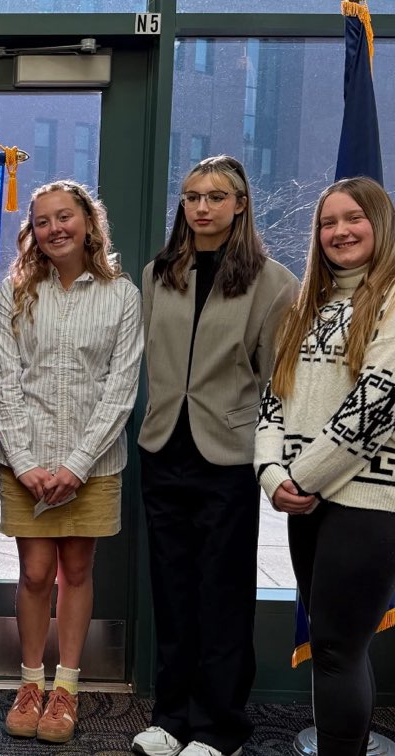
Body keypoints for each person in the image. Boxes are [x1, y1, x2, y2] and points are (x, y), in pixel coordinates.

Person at [133, 155, 298, 756]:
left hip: (226, 455)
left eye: (216, 197)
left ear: (240, 204)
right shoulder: (158, 274)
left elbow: (278, 379)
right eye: (192, 196)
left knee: (221, 595)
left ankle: (219, 726)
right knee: (172, 592)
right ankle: (172, 718)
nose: (202, 207)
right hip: (161, 447)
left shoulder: (273, 281)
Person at [0, 180, 143, 744]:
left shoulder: (122, 294)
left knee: (77, 572)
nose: (55, 228)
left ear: (88, 223)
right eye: (43, 220)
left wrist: (77, 465)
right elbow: (3, 379)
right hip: (24, 460)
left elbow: (120, 388)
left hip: (94, 465)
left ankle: (66, 690)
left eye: (65, 217)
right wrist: (27, 462)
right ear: (33, 231)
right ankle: (30, 683)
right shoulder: (17, 291)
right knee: (34, 574)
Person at [255, 177, 395, 756]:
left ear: (380, 223)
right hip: (304, 503)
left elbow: (381, 399)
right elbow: (273, 399)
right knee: (334, 649)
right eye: (327, 222)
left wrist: (301, 477)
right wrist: (271, 475)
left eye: (353, 218)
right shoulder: (305, 306)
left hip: (366, 503)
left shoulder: (391, 297)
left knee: (337, 649)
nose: (339, 231)